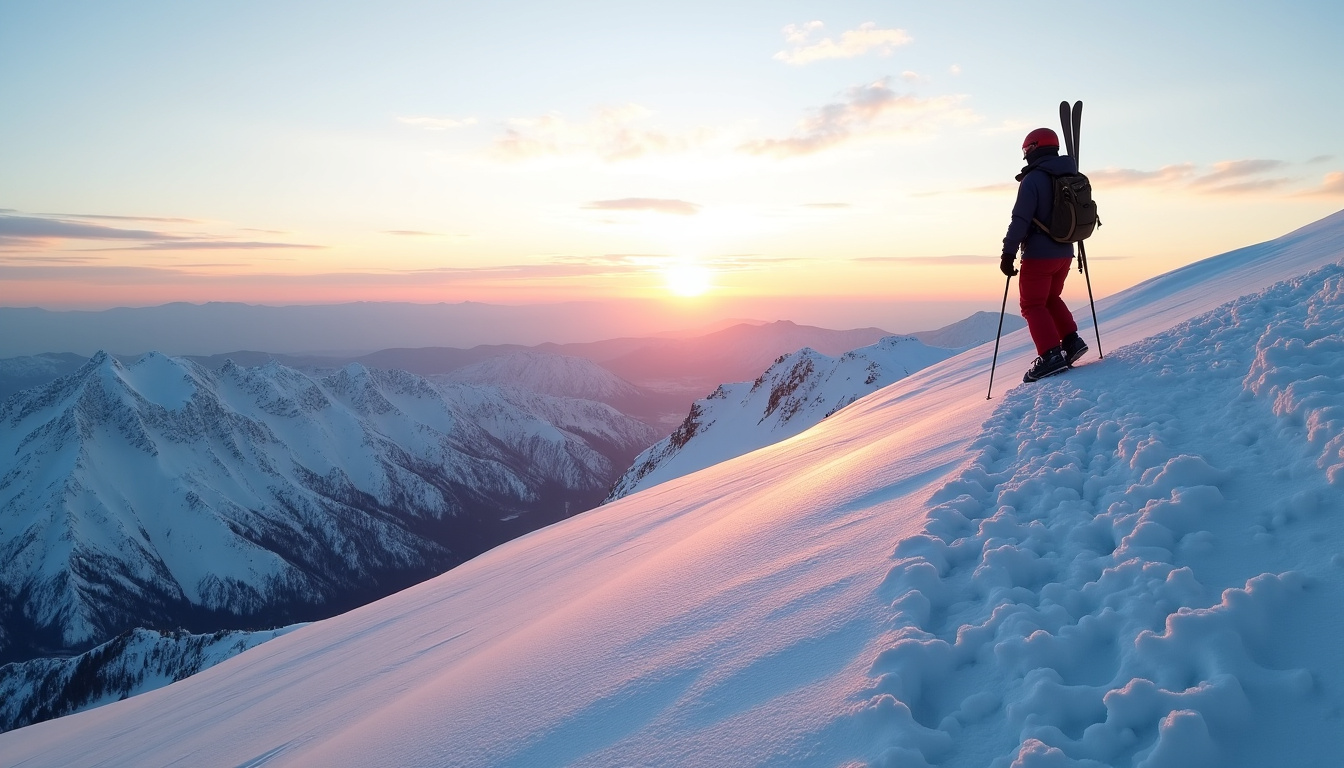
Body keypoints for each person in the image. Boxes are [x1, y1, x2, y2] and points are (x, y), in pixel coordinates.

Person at [1000, 127, 1089, 382]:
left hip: (1039, 254)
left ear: (1034, 148)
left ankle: (1050, 355)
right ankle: (1071, 341)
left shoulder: (1033, 179)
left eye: (1026, 149)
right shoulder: (1072, 175)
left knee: (1032, 305)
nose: (1025, 154)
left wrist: (1008, 252)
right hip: (1066, 252)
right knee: (1051, 298)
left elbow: (1020, 219)